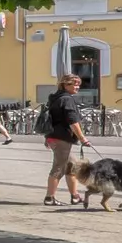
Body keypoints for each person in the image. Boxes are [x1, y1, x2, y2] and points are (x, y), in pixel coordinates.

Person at [42, 72, 94, 205]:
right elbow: (72, 121)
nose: (77, 87)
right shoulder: (67, 99)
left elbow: (50, 120)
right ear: (65, 84)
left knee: (71, 166)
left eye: (78, 85)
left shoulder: (55, 98)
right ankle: (49, 198)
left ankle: (75, 196)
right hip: (61, 138)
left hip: (54, 137)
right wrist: (82, 138)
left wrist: (47, 137)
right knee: (58, 168)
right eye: (75, 84)